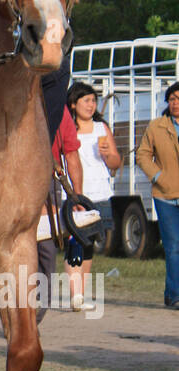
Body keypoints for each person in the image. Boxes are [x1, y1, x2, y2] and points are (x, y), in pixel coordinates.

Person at [62, 82, 122, 312]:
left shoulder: (101, 128)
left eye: (93, 100)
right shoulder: (67, 128)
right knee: (75, 241)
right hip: (76, 195)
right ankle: (75, 294)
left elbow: (116, 163)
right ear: (73, 104)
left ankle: (81, 293)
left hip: (100, 192)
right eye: (86, 100)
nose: (91, 105)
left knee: (90, 244)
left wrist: (109, 156)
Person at [136, 80, 179, 309]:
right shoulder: (156, 126)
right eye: (172, 99)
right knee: (173, 247)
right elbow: (142, 155)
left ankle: (169, 291)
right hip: (165, 196)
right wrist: (158, 177)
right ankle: (175, 295)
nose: (176, 103)